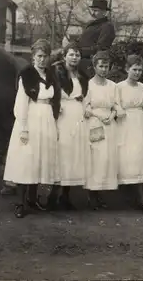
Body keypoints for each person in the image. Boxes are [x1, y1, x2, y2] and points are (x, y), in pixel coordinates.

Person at [3, 39, 61, 219]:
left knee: (39, 160)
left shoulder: (51, 75)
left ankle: (32, 199)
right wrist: (24, 127)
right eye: (39, 56)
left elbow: (55, 99)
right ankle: (20, 203)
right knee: (26, 160)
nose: (43, 60)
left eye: (46, 56)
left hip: (47, 119)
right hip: (30, 119)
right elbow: (21, 103)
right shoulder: (26, 75)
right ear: (33, 57)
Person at [46, 43, 91, 211]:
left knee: (73, 155)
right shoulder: (56, 73)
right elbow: (49, 92)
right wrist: (56, 105)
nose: (74, 58)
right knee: (61, 154)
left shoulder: (82, 76)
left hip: (77, 116)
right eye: (71, 54)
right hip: (62, 115)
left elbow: (85, 96)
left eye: (77, 55)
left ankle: (66, 195)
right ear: (64, 56)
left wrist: (85, 107)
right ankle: (52, 195)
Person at [116, 55, 143, 216]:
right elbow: (116, 105)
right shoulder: (119, 87)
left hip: (140, 124)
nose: (137, 73)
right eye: (134, 69)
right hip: (126, 124)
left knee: (140, 158)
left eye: (140, 70)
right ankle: (137, 197)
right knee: (128, 158)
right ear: (127, 69)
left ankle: (141, 196)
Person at [83, 51, 121, 209]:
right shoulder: (89, 85)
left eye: (106, 66)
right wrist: (98, 115)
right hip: (94, 123)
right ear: (94, 67)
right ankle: (92, 194)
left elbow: (117, 105)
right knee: (96, 158)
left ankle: (101, 193)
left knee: (107, 158)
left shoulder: (113, 86)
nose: (104, 69)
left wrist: (111, 116)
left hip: (109, 123)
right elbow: (85, 106)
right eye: (101, 66)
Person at [76, 0, 116, 78]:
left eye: (96, 11)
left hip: (91, 62)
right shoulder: (92, 24)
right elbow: (80, 40)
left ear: (104, 12)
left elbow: (101, 48)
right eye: (93, 10)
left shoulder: (107, 26)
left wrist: (80, 51)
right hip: (79, 57)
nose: (93, 13)